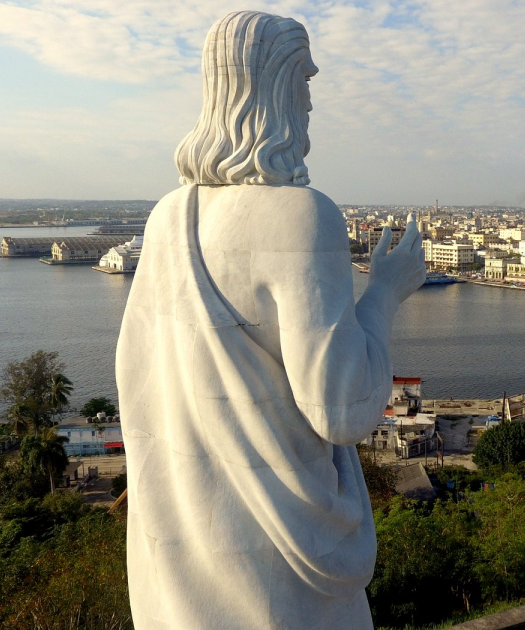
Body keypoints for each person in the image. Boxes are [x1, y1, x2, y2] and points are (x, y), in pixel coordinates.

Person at [116, 11, 425, 629]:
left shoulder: (166, 218)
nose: (311, 100)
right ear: (277, 86)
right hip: (284, 573)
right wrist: (386, 293)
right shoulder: (300, 216)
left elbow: (138, 379)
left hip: (184, 560)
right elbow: (343, 410)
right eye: (304, 80)